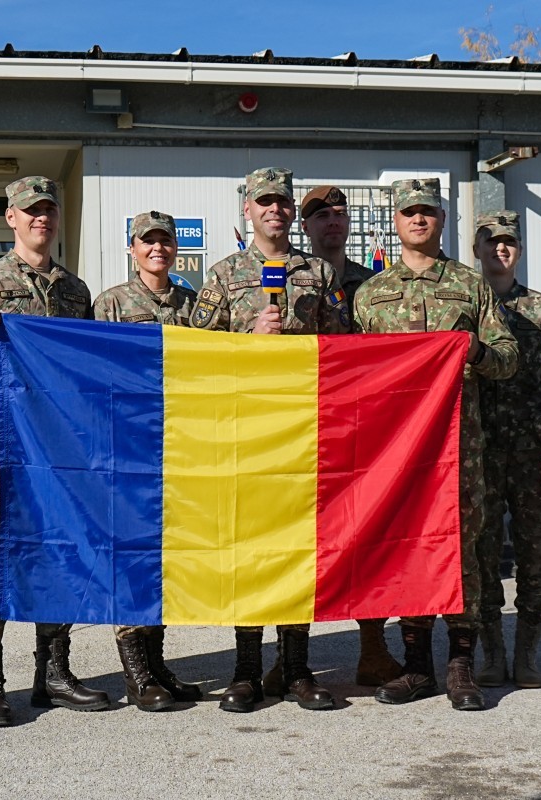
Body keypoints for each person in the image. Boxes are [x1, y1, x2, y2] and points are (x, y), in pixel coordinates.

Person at [353, 178, 518, 712]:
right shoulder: (371, 294)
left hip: (458, 446)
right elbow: (351, 370)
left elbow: (509, 357)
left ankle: (460, 665)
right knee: (408, 549)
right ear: (395, 223)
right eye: (409, 213)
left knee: (461, 550)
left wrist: (473, 351)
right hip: (397, 451)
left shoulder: (471, 286)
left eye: (428, 211)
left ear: (442, 220)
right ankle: (417, 667)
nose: (418, 220)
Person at [0, 176, 108, 722]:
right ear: (11, 218)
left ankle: (54, 671)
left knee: (60, 546)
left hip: (61, 443)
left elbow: (86, 368)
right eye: (30, 210)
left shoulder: (75, 291)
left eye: (48, 209)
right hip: (9, 441)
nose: (41, 218)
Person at [192, 166, 348, 713]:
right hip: (245, 431)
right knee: (247, 549)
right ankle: (245, 670)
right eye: (264, 202)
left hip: (302, 430)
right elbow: (196, 354)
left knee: (297, 547)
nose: (274, 210)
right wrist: (246, 336)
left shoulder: (318, 274)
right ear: (248, 210)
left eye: (282, 202)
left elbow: (344, 349)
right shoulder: (224, 275)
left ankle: (299, 668)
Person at [92, 210, 204, 711]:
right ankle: (136, 673)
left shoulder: (192, 303)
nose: (157, 248)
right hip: (128, 447)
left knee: (164, 557)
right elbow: (95, 373)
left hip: (177, 446)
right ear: (132, 249)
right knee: (131, 555)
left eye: (164, 241)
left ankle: (158, 665)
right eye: (147, 241)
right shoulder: (111, 303)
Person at [299, 184, 401, 687]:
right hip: (300, 426)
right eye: (321, 216)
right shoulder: (290, 277)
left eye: (339, 214)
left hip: (362, 425)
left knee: (365, 534)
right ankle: (290, 655)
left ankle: (372, 645)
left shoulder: (375, 285)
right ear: (306, 226)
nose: (332, 222)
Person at [470, 211, 541, 689]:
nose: (500, 250)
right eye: (491, 242)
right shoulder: (466, 301)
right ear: (477, 249)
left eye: (508, 243)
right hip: (479, 448)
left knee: (534, 552)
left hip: (531, 447)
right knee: (483, 554)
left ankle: (527, 654)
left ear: (518, 251)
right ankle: (492, 652)